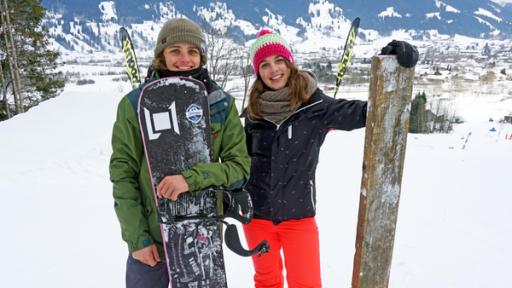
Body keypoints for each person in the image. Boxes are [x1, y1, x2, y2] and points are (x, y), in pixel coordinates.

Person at [242, 30, 418, 288]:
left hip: (298, 217)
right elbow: (240, 161)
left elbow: (368, 112)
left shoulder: (315, 106)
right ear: (258, 72)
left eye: (279, 60)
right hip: (257, 218)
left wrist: (391, 66)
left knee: (307, 284)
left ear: (289, 63)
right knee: (267, 281)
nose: (274, 70)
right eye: (265, 65)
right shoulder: (253, 113)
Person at [109, 18, 251, 288]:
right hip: (151, 243)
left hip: (200, 240)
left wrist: (190, 179)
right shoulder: (134, 105)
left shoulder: (220, 104)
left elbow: (239, 169)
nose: (185, 59)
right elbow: (122, 175)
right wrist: (137, 239)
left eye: (193, 51)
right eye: (175, 50)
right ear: (161, 55)